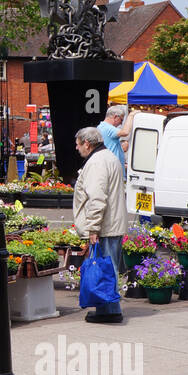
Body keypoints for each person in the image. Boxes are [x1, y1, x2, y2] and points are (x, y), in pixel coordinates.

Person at [73, 126, 127, 324]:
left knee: (106, 267)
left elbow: (97, 198)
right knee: (108, 266)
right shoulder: (109, 156)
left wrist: (93, 228)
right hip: (111, 223)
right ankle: (108, 308)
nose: (77, 148)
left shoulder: (96, 162)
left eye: (78, 144)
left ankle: (110, 310)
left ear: (87, 143)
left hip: (106, 226)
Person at [97, 105, 131, 175]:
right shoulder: (107, 127)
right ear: (115, 117)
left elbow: (109, 147)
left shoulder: (102, 127)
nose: (121, 123)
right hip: (112, 172)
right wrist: (131, 116)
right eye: (121, 120)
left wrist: (121, 149)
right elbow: (125, 132)